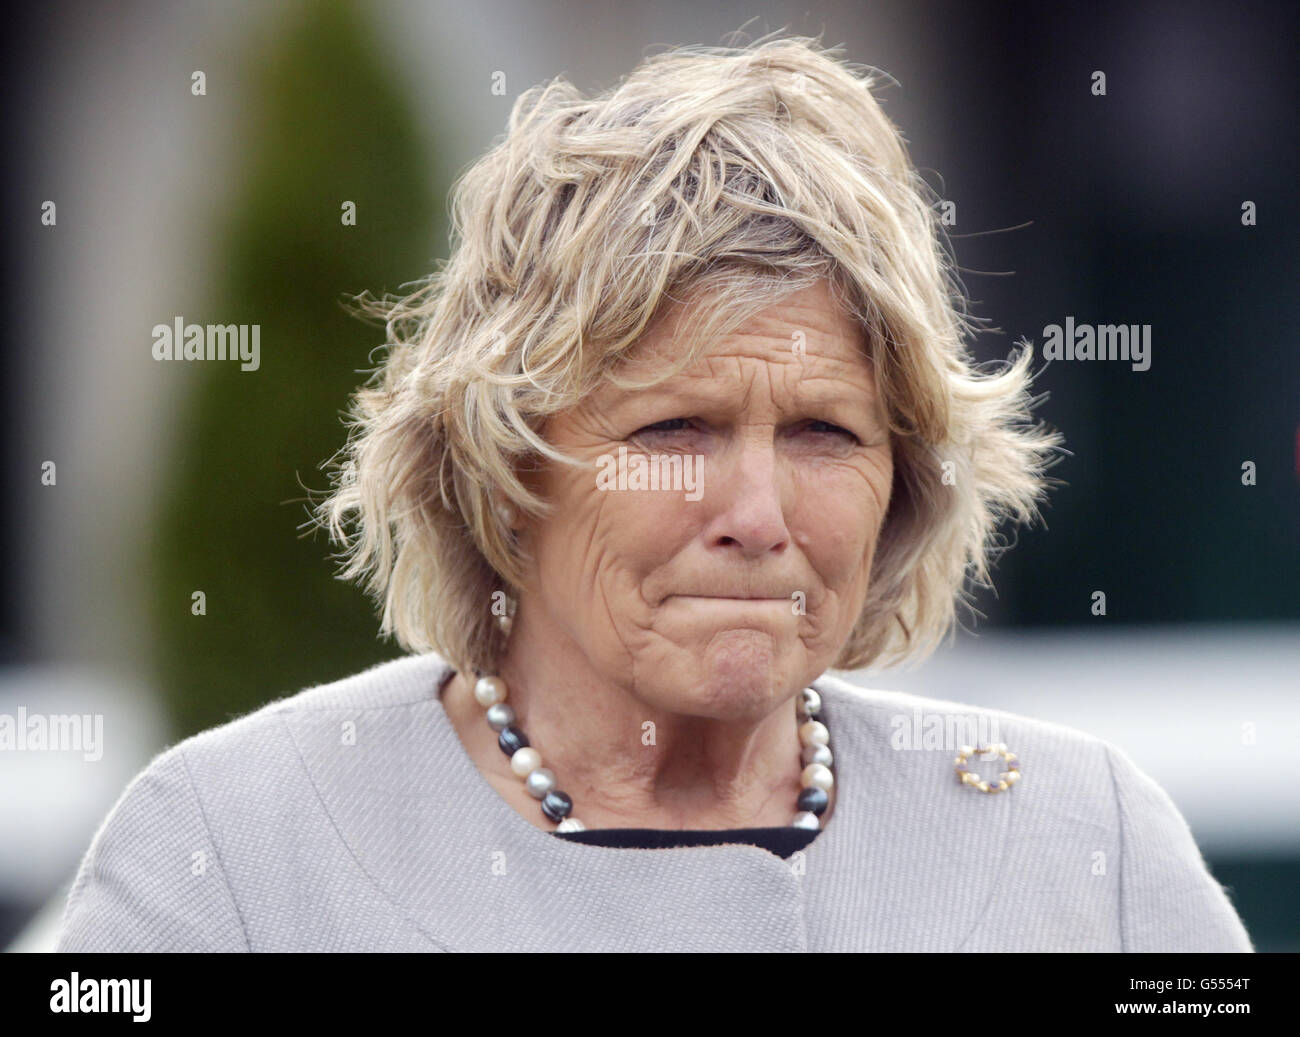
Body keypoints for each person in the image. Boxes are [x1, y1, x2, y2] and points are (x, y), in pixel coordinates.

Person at [56, 35, 1251, 952]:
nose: (758, 513)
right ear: (505, 463)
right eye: (676, 427)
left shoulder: (1088, 845)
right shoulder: (230, 853)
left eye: (826, 433)